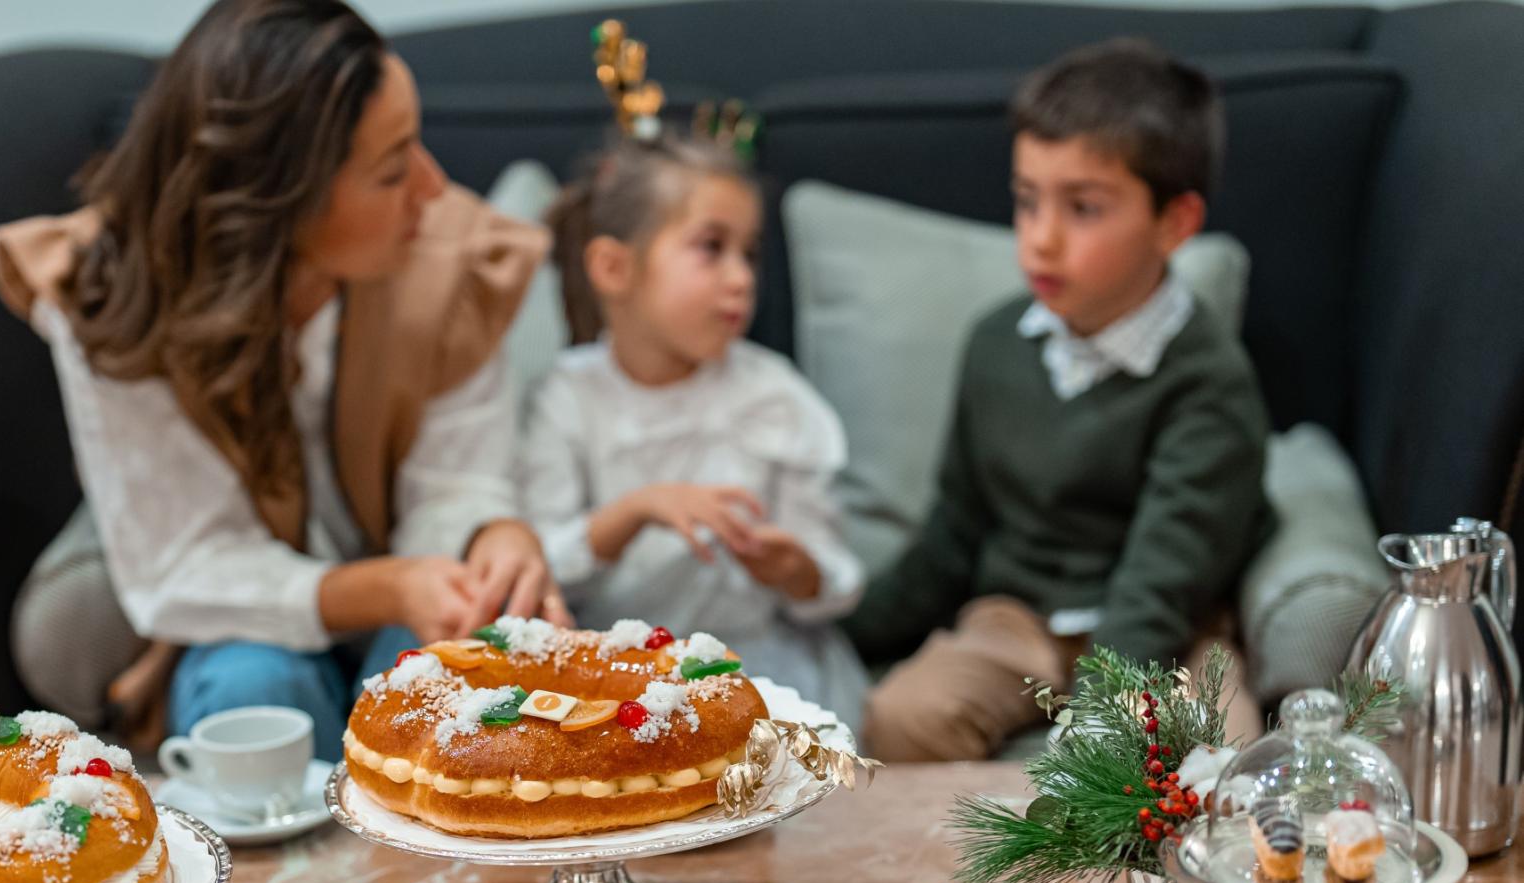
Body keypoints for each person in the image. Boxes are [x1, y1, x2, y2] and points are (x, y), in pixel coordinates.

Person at [0, 0, 568, 760]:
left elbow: (456, 487)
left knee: (453, 678)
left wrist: (492, 532)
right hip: (249, 617)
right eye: (393, 169)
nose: (433, 189)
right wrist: (382, 587)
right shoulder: (112, 295)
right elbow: (181, 568)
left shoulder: (452, 260)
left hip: (414, 582)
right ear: (275, 199)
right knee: (250, 689)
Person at [848, 39, 1273, 761]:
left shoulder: (1209, 378)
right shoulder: (995, 345)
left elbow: (1165, 579)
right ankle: (972, 876)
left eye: (1083, 208)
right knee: (902, 716)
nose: (1041, 240)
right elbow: (955, 529)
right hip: (1018, 619)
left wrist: (1105, 715)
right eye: (1026, 201)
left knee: (1217, 746)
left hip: (1167, 632)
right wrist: (838, 626)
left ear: (1175, 223)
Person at [519, 135, 869, 728]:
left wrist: (795, 570)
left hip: (756, 668)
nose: (741, 279)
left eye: (749, 254)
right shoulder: (568, 398)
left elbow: (838, 581)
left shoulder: (774, 398)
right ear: (613, 267)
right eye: (711, 248)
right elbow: (538, 573)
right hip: (616, 681)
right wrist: (634, 511)